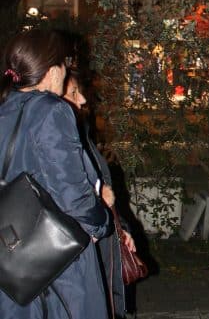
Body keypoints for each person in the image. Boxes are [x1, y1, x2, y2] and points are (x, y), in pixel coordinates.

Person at [0, 29, 110, 318]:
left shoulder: (6, 108)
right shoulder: (51, 111)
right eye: (63, 64)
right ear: (51, 72)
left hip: (12, 259)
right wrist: (100, 223)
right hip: (56, 263)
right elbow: (72, 193)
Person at [63, 70, 137, 319]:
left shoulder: (79, 135)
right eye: (73, 93)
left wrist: (120, 228)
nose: (83, 99)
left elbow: (101, 187)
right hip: (79, 257)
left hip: (101, 248)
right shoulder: (59, 144)